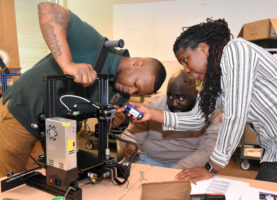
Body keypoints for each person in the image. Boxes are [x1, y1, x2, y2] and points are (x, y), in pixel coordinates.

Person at [0, 2, 166, 177]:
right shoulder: (94, 45)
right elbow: (48, 8)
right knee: (10, 177)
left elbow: (93, 115)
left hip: (59, 129)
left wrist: (110, 121)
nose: (131, 92)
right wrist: (68, 64)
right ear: (137, 63)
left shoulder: (120, 94)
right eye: (136, 85)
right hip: (24, 110)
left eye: (137, 93)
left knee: (53, 177)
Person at [126, 19, 277, 185]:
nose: (186, 70)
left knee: (266, 191)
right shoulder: (218, 78)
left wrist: (212, 167)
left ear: (202, 48)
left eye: (186, 60)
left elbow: (234, 115)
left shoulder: (235, 50)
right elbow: (198, 119)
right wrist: (152, 114)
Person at [120, 71, 221, 169]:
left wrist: (176, 171)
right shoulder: (153, 104)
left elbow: (206, 151)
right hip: (146, 160)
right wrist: (129, 144)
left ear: (195, 94)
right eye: (170, 96)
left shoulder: (210, 113)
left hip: (185, 165)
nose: (174, 103)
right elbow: (131, 134)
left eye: (181, 99)